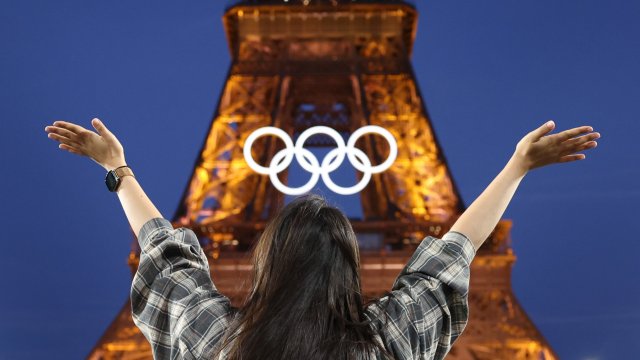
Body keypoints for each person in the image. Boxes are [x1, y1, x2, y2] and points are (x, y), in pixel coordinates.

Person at [45, 118, 599, 360]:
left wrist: (119, 170)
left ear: (266, 263)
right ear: (349, 269)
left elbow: (166, 259)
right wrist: (517, 168)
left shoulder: (217, 341)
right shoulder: (387, 345)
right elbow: (453, 251)